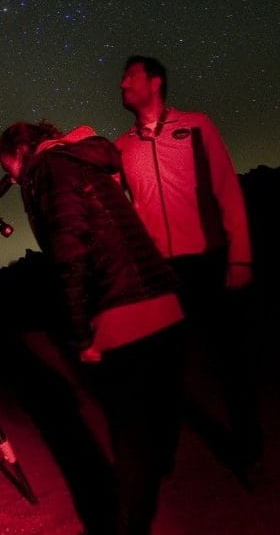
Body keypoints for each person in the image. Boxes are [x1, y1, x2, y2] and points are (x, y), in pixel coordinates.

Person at [0, 121, 186, 535]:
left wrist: (82, 332)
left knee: (129, 436)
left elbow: (71, 251)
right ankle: (154, 481)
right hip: (163, 298)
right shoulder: (79, 158)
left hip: (121, 304)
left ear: (22, 149)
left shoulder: (48, 169)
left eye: (9, 166)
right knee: (156, 415)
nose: (10, 178)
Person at [116, 55, 261, 475]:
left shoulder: (196, 126)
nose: (122, 83)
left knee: (230, 358)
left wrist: (240, 254)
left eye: (130, 76)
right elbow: (111, 201)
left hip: (208, 258)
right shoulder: (121, 147)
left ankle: (248, 450)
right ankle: (164, 457)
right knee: (163, 367)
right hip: (159, 271)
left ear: (154, 82)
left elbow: (226, 188)